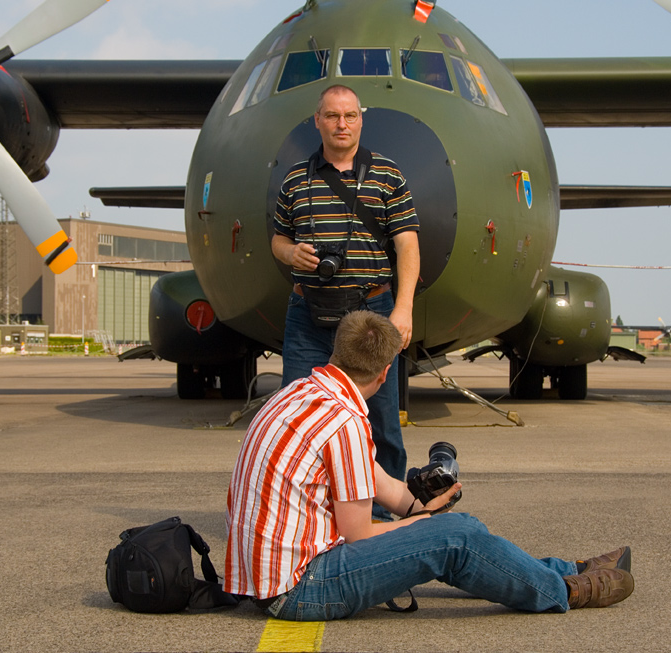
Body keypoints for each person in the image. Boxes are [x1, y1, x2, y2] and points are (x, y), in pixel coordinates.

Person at [224, 310, 634, 621]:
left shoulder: (302, 392)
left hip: (267, 578)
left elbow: (379, 481)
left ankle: (568, 569)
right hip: (296, 591)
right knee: (455, 538)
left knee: (464, 528)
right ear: (386, 373)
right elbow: (359, 535)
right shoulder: (343, 422)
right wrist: (431, 526)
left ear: (338, 351)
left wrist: (421, 508)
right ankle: (565, 591)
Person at [271, 84, 420, 508]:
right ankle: (302, 508)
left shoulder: (388, 175)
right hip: (308, 311)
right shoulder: (296, 180)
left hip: (372, 310)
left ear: (360, 119)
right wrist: (290, 252)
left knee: (382, 420)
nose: (342, 124)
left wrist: (403, 307)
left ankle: (384, 518)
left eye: (350, 115)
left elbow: (407, 244)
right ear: (317, 120)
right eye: (332, 116)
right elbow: (278, 240)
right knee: (295, 414)